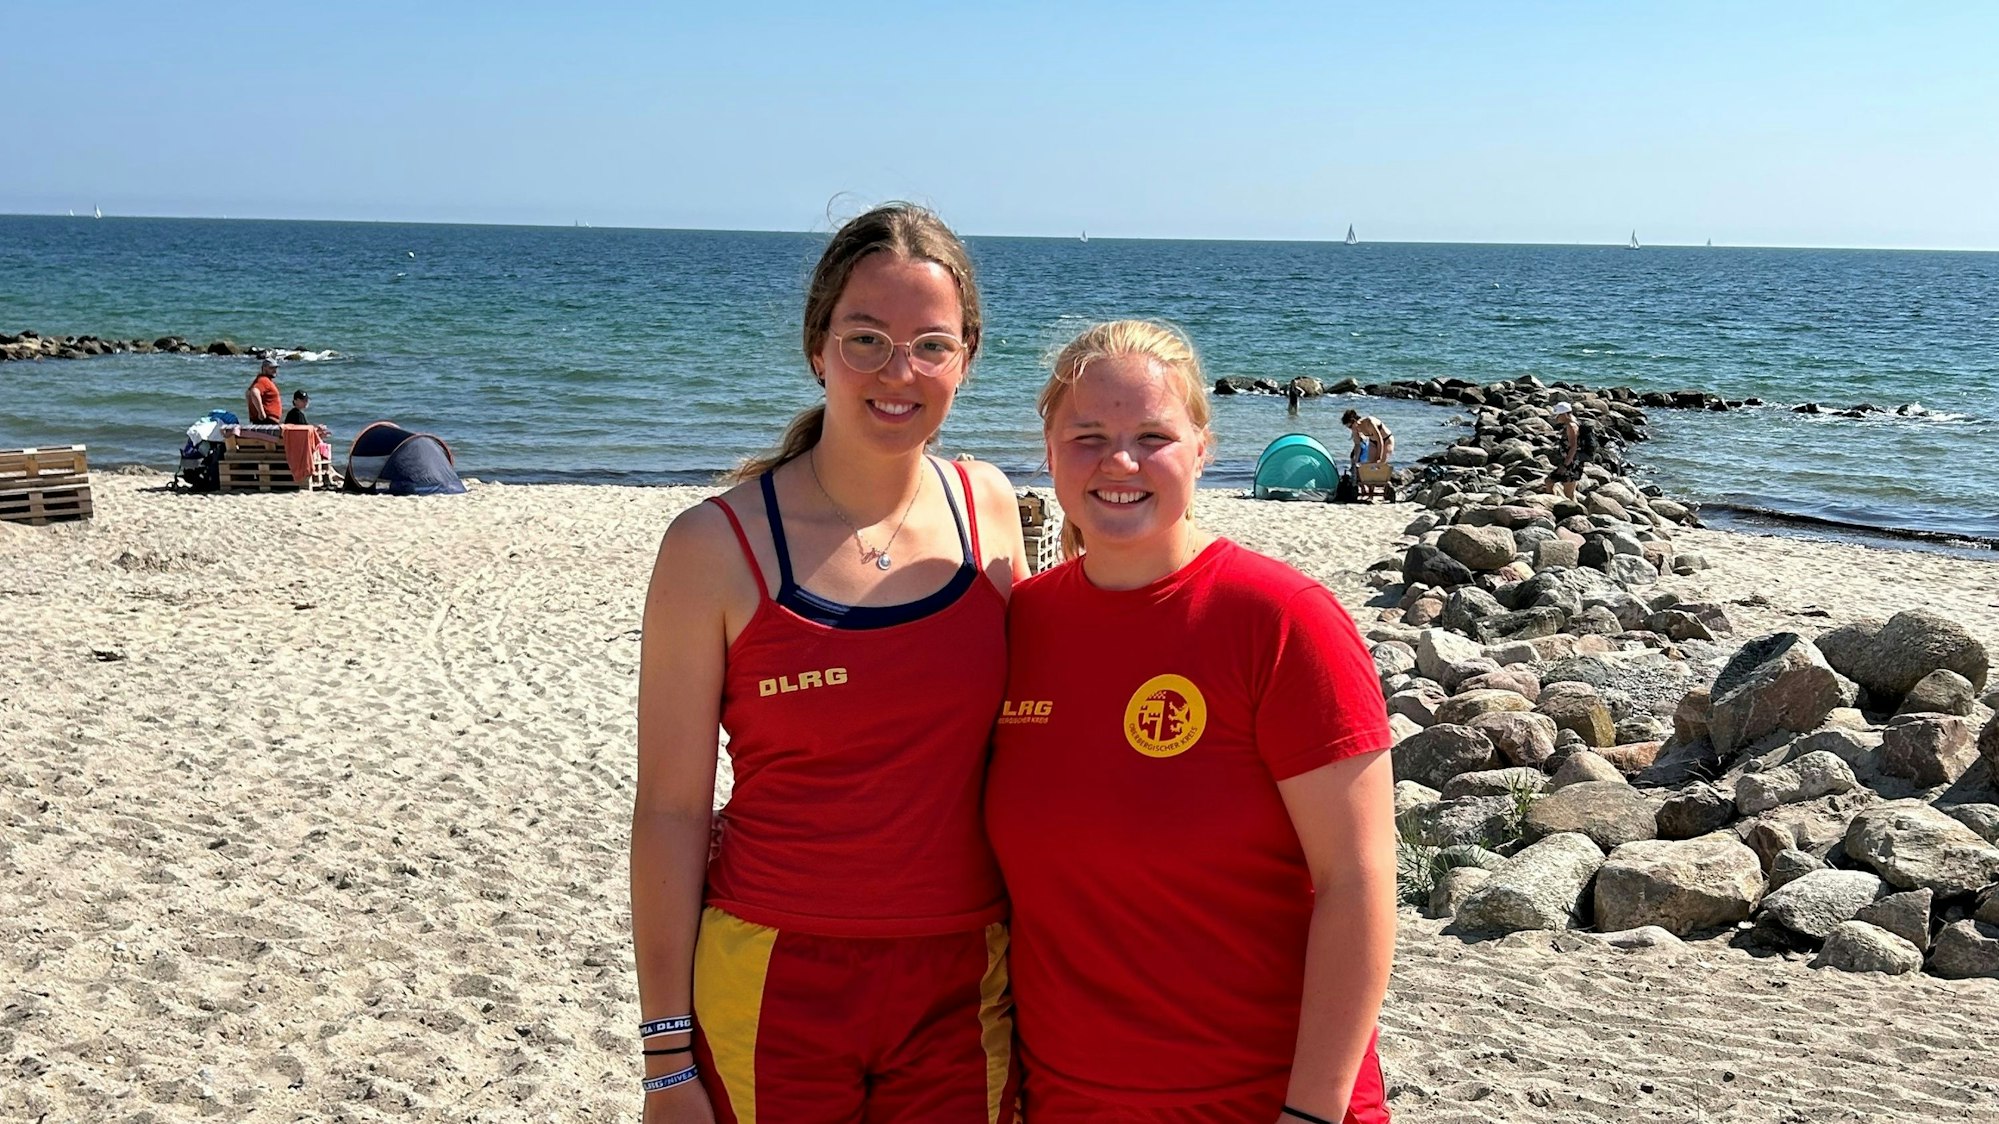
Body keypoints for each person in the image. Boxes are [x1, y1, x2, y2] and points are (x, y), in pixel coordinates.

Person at [631, 203, 1029, 1124]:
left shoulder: (992, 507)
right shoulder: (713, 546)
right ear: (818, 347)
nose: (899, 373)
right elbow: (670, 809)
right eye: (865, 340)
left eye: (931, 345)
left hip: (966, 976)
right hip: (772, 978)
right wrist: (664, 1061)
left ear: (967, 357)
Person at [988, 320, 1396, 1124]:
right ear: (1047, 448)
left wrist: (1310, 1113)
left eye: (1151, 435)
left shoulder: (1279, 619)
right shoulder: (1019, 623)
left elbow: (1357, 882)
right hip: (1063, 1097)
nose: (1119, 462)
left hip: (1260, 1098)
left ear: (1203, 450)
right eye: (1089, 436)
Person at [1543, 401, 1596, 500]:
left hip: (1571, 464)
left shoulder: (1571, 426)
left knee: (1555, 485)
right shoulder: (1574, 422)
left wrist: (1565, 465)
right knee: (1566, 490)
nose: (1555, 418)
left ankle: (1561, 507)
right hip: (1572, 462)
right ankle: (1560, 505)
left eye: (1557, 415)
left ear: (1564, 415)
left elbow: (1573, 447)